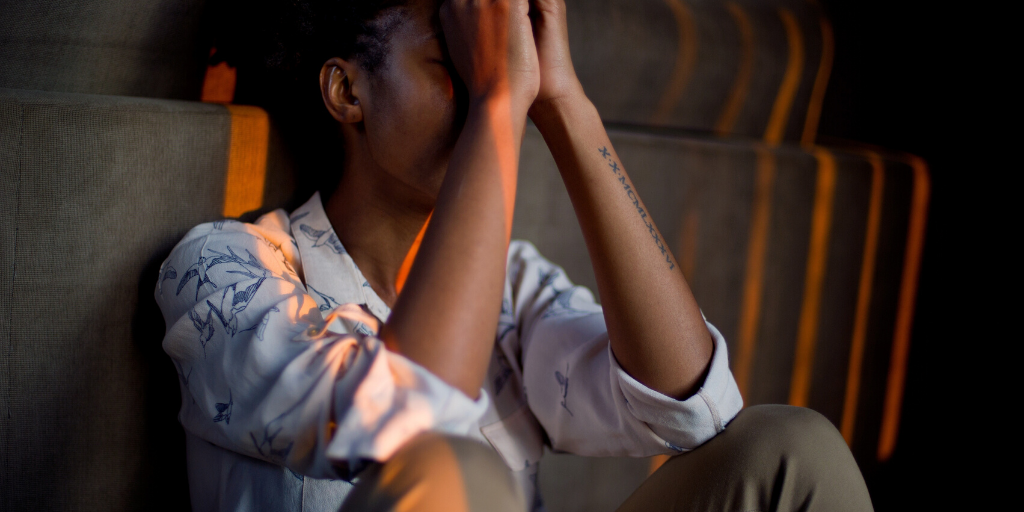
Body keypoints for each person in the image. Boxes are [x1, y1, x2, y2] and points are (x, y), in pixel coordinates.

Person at [155, 0, 874, 510]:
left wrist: (562, 100)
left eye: (498, 64)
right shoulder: (225, 272)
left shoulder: (514, 282)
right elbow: (417, 421)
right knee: (452, 467)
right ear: (348, 91)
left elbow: (696, 410)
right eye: (456, 63)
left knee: (788, 449)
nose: (486, 86)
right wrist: (498, 100)